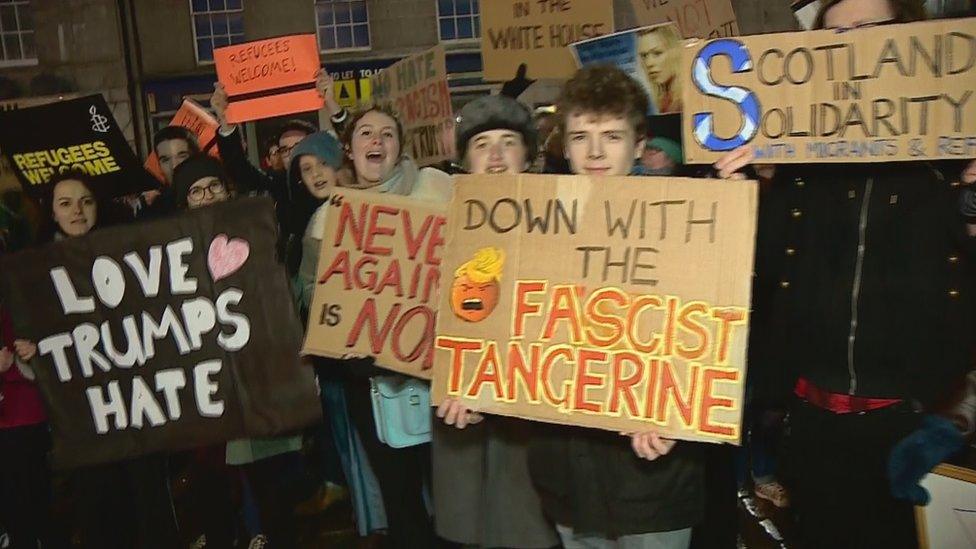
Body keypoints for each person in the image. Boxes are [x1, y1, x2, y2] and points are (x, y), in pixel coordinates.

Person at [716, 1, 976, 546]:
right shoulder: (800, 173)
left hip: (918, 430)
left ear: (911, 40)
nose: (852, 46)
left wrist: (958, 418)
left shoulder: (951, 164)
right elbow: (753, 283)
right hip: (810, 428)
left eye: (868, 30)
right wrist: (753, 187)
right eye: (835, 35)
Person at [527, 65, 704, 549]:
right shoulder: (533, 229)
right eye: (581, 136)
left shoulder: (686, 223)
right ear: (564, 142)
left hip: (653, 484)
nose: (597, 152)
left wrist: (677, 417)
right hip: (567, 480)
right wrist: (473, 383)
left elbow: (710, 339)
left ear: (639, 141)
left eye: (612, 135)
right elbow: (516, 333)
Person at [12, 171, 181, 549]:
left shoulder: (125, 254)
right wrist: (33, 355)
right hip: (82, 421)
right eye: (66, 203)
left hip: (137, 410)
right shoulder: (31, 273)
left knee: (148, 503)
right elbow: (35, 347)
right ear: (51, 213)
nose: (77, 211)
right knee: (100, 508)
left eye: (86, 201)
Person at [432, 94, 558, 549]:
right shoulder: (436, 227)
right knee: (468, 528)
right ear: (465, 159)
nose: (498, 155)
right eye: (483, 143)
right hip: (460, 420)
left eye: (509, 142)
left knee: (524, 528)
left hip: (531, 427)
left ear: (528, 154)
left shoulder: (560, 226)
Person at [171, 155, 310, 549]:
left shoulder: (260, 231)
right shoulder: (172, 250)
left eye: (215, 186)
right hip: (210, 392)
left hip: (260, 385)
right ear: (185, 203)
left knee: (273, 488)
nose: (207, 196)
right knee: (215, 490)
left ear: (229, 190)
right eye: (196, 192)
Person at [332, 105, 452, 548]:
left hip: (442, 377)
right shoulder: (331, 212)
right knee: (400, 498)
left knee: (452, 495)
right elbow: (313, 299)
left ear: (400, 145)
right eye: (366, 133)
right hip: (372, 384)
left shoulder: (438, 187)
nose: (376, 141)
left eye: (387, 133)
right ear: (350, 148)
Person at [638, 25, 683, 114]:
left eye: (657, 53)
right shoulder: (664, 101)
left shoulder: (688, 99)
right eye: (644, 56)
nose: (649, 63)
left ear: (676, 53)